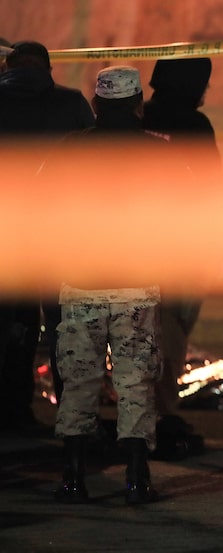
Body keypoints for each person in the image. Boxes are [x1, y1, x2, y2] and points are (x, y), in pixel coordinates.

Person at [42, 65, 190, 505]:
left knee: (79, 380)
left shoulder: (68, 150)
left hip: (81, 284)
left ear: (95, 106)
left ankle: (72, 477)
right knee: (135, 381)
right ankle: (137, 478)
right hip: (136, 285)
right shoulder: (162, 154)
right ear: (138, 105)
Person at [0, 40, 95, 434]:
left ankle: (11, 413)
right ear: (49, 69)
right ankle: (72, 421)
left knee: (11, 326)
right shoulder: (71, 104)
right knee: (64, 327)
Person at [142, 57, 223, 459]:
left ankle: (139, 413)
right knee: (171, 332)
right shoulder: (195, 126)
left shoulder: (136, 116)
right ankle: (161, 413)